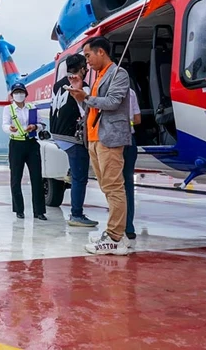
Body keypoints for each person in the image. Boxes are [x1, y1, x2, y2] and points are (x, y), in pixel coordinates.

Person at [69, 36, 133, 256]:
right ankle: (117, 233)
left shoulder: (119, 74)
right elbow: (92, 108)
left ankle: (115, 237)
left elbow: (113, 102)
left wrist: (86, 97)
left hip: (110, 139)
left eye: (88, 56)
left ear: (101, 52)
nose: (87, 62)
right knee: (108, 187)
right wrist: (81, 96)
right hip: (95, 139)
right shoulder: (98, 78)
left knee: (114, 187)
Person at [49, 54, 99, 228]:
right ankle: (76, 214)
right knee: (80, 178)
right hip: (73, 137)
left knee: (76, 170)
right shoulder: (81, 86)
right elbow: (86, 111)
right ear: (83, 68)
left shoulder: (58, 84)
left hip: (58, 135)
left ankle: (70, 170)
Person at [1, 82, 46, 220]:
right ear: (12, 95)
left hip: (31, 144)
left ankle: (39, 211)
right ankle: (19, 209)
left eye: (21, 92)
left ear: (25, 94)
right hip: (16, 144)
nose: (19, 95)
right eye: (16, 92)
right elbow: (5, 124)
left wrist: (35, 127)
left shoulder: (32, 107)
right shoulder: (8, 109)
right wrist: (10, 129)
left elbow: (42, 124)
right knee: (16, 178)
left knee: (37, 178)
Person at [123, 87, 142, 246]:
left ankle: (115, 226)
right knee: (128, 184)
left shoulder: (103, 89)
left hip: (113, 142)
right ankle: (128, 226)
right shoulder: (131, 92)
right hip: (130, 139)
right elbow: (137, 119)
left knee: (113, 185)